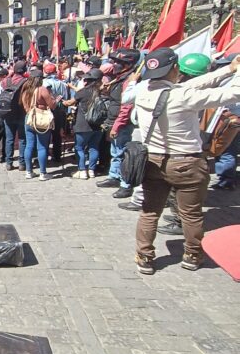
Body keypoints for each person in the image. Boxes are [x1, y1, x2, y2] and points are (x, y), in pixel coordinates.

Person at [133, 49, 240, 275]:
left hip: (153, 160)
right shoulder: (182, 96)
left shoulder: (141, 91)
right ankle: (192, 255)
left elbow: (193, 85)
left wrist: (226, 70)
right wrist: (237, 72)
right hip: (186, 163)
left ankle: (144, 256)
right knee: (191, 214)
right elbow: (233, 93)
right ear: (174, 69)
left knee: (150, 212)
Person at [97, 48, 140, 195]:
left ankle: (125, 183)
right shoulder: (120, 77)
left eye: (118, 62)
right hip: (114, 118)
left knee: (123, 153)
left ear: (128, 64)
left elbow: (126, 106)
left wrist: (117, 125)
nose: (114, 64)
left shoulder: (130, 79)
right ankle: (114, 176)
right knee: (115, 151)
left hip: (123, 123)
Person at [64, 69, 105, 179]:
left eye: (86, 79)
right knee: (94, 147)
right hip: (98, 124)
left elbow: (70, 103)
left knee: (79, 147)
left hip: (83, 125)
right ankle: (91, 170)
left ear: (89, 81)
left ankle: (82, 170)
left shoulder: (83, 92)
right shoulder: (102, 91)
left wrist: (62, 101)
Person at [22, 68, 57, 180]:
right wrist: (55, 99)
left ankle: (29, 171)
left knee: (29, 145)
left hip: (29, 118)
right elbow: (52, 105)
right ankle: (43, 173)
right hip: (41, 118)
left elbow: (25, 106)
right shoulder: (42, 90)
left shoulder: (26, 90)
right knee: (42, 147)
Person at [3, 61, 28, 171]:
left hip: (8, 112)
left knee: (9, 139)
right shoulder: (26, 82)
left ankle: (9, 163)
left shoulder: (6, 81)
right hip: (21, 112)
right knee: (22, 139)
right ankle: (22, 164)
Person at [42, 62, 70, 163]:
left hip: (47, 110)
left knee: (45, 134)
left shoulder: (43, 83)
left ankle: (44, 155)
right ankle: (57, 155)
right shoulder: (63, 84)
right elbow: (66, 98)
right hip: (59, 111)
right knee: (57, 135)